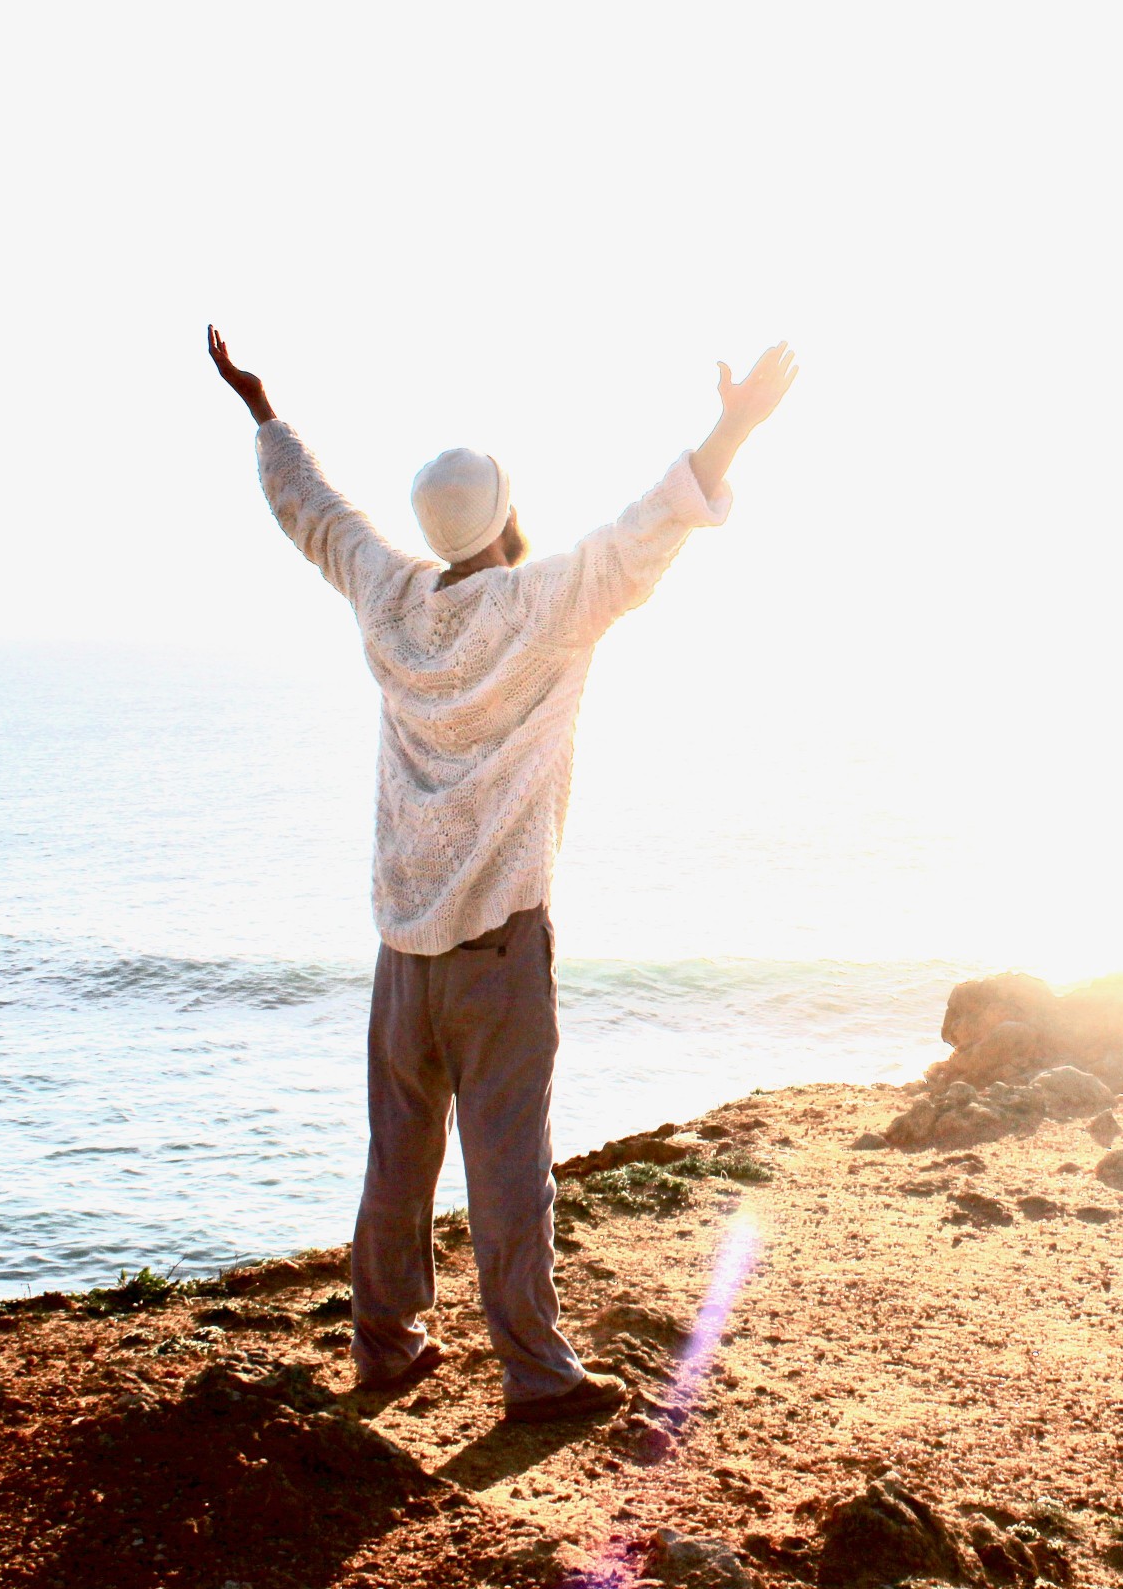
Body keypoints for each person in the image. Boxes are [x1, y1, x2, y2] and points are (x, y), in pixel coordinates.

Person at [206, 325, 798, 1424]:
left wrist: (263, 412)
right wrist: (735, 424)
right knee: (508, 1173)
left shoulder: (390, 600)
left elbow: (318, 518)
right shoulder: (543, 610)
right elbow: (650, 526)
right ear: (509, 517)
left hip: (404, 952)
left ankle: (386, 1348)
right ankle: (535, 1374)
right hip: (498, 953)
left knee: (399, 1162)